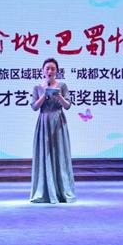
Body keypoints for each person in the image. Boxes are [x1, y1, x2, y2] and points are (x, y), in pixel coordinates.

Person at [30, 58, 76, 203]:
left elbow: (67, 106)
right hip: (44, 123)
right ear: (43, 70)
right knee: (45, 155)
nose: (50, 71)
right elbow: (34, 107)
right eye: (47, 68)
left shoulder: (62, 86)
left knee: (59, 154)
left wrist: (59, 96)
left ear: (57, 71)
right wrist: (44, 95)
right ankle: (45, 191)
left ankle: (62, 191)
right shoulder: (37, 87)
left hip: (58, 123)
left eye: (53, 69)